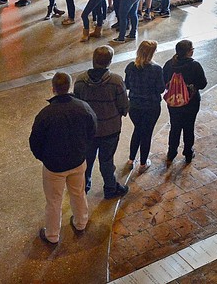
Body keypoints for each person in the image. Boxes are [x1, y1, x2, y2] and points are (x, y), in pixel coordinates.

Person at [29, 72, 97, 245]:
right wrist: (82, 151)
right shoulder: (84, 107)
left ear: (53, 89)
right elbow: (92, 131)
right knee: (78, 193)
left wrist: (45, 158)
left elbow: (35, 142)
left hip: (54, 167)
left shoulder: (46, 114)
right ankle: (81, 223)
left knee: (53, 201)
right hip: (78, 161)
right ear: (70, 86)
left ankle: (52, 235)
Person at [73, 46, 130, 199]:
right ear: (110, 62)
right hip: (110, 130)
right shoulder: (116, 81)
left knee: (87, 161)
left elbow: (77, 105)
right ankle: (110, 188)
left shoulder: (80, 81)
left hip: (88, 131)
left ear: (93, 59)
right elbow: (124, 106)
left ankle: (83, 188)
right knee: (106, 161)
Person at [163, 40, 207, 163]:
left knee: (175, 127)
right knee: (189, 127)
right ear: (189, 52)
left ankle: (171, 152)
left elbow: (164, 81)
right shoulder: (195, 66)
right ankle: (188, 152)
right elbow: (203, 84)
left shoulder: (169, 64)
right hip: (191, 102)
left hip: (173, 102)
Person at [124, 41, 165, 171]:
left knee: (137, 130)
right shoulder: (157, 69)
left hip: (134, 106)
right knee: (147, 133)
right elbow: (160, 89)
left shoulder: (130, 66)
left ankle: (131, 159)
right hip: (151, 106)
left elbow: (127, 85)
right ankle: (143, 163)